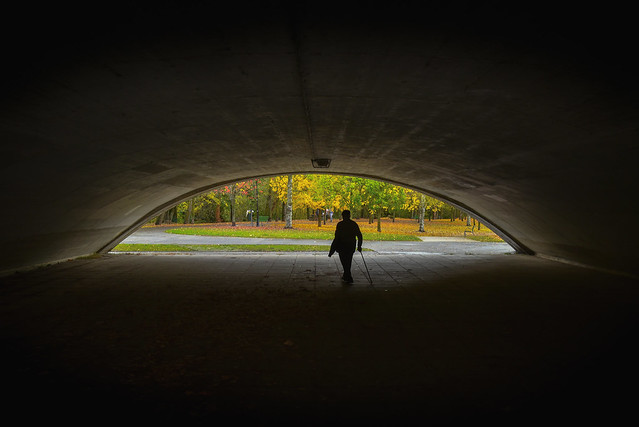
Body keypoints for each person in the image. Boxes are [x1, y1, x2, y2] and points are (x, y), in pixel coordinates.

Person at [328, 210, 362, 283]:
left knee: (344, 261)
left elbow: (336, 237)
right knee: (348, 261)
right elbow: (359, 235)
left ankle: (348, 275)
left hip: (342, 246)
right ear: (349, 215)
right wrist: (359, 245)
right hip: (350, 245)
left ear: (342, 216)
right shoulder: (353, 224)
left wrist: (332, 250)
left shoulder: (340, 224)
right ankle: (347, 275)